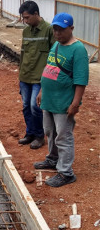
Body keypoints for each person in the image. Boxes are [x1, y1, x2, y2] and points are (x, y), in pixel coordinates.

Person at [34, 13, 89, 187]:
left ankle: (66, 173)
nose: (57, 33)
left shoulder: (78, 50)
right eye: (55, 29)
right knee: (49, 132)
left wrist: (75, 103)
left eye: (61, 30)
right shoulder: (56, 45)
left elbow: (81, 80)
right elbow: (49, 67)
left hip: (63, 102)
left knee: (63, 136)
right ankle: (53, 159)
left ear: (71, 28)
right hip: (49, 99)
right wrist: (42, 90)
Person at [18, 0, 54, 149]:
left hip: (40, 78)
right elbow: (22, 54)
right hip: (25, 76)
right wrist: (20, 76)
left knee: (35, 106)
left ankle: (40, 136)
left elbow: (53, 57)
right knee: (26, 106)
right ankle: (30, 133)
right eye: (23, 18)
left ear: (36, 14)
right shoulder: (26, 32)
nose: (25, 21)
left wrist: (49, 79)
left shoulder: (49, 30)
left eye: (27, 18)